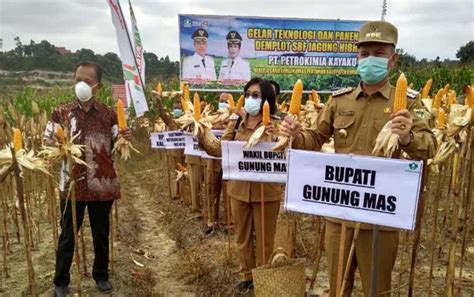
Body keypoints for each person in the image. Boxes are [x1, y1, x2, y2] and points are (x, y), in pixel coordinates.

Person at [281, 20, 436, 296]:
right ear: (357, 58)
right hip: (340, 213)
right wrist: (295, 134)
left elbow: (430, 147)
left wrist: (407, 138)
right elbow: (314, 140)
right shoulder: (340, 101)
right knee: (338, 286)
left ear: (393, 58)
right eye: (364, 54)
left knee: (377, 288)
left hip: (380, 217)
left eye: (379, 53)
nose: (370, 60)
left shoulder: (411, 104)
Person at [44, 61, 132, 297]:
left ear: (97, 86)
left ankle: (101, 275)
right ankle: (60, 281)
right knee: (67, 235)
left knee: (100, 234)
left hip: (101, 184)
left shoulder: (109, 114)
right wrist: (56, 143)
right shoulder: (61, 112)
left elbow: (119, 140)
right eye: (77, 80)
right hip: (71, 185)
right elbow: (47, 140)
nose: (81, 85)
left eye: (87, 81)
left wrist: (125, 135)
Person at [197, 78, 282, 294]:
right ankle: (246, 275)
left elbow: (285, 152)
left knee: (265, 239)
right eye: (248, 94)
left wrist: (273, 135)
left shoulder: (277, 123)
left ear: (267, 99)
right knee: (242, 236)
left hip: (267, 191)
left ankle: (264, 276)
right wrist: (201, 134)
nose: (251, 99)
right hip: (239, 189)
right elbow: (220, 150)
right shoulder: (236, 123)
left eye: (257, 95)